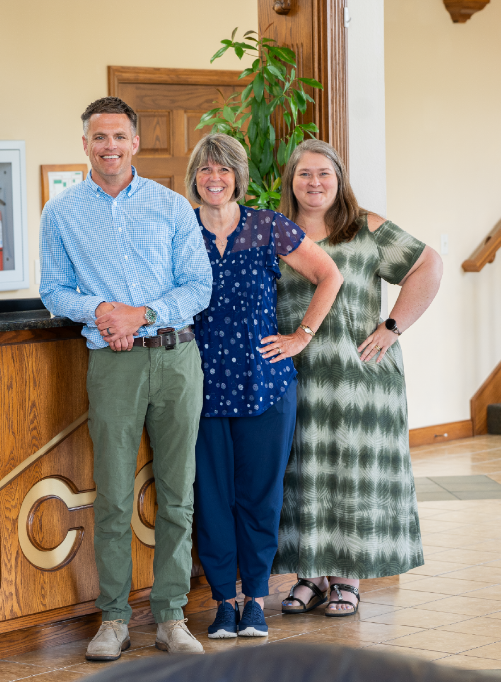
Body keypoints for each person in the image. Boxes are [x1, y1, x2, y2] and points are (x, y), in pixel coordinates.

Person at [39, 97, 212, 660]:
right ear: (85, 145)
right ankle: (113, 619)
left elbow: (198, 285)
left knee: (178, 494)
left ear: (135, 143)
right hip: (113, 365)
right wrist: (101, 311)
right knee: (113, 496)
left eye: (118, 137)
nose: (109, 146)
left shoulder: (171, 206)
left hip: (176, 358)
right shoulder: (61, 214)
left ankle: (171, 617)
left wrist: (142, 314)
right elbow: (53, 289)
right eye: (99, 137)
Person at [273, 139, 443, 617]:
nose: (314, 183)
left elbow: (428, 263)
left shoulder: (365, 228)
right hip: (298, 375)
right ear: (291, 180)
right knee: (303, 474)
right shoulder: (277, 231)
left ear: (339, 179)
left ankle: (347, 578)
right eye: (305, 174)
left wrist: (393, 327)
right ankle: (310, 574)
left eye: (324, 173)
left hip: (360, 379)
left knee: (351, 477)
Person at [188, 134, 342, 639]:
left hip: (266, 386)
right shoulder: (181, 228)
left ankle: (255, 600)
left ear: (239, 177)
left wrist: (301, 336)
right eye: (206, 169)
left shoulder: (268, 225)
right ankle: (223, 603)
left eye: (224, 170)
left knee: (261, 498)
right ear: (195, 177)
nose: (215, 178)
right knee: (211, 501)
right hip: (200, 387)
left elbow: (329, 275)